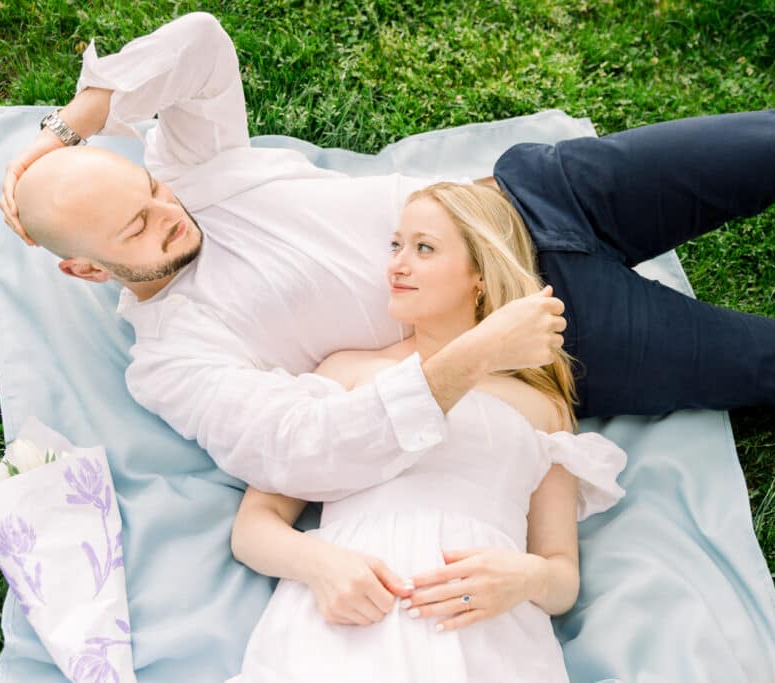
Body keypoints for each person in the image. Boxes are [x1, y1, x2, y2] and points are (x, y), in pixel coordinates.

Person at [3, 12, 775, 507]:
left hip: (531, 193)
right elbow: (294, 447)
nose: (166, 216)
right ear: (86, 271)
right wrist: (476, 352)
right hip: (545, 320)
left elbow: (202, 45)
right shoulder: (174, 353)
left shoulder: (190, 171)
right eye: (134, 232)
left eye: (148, 194)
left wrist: (82, 116)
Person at [225, 182, 626, 682]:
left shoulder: (541, 404)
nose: (397, 264)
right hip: (350, 617)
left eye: (424, 248)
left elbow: (561, 572)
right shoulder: (346, 372)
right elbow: (253, 527)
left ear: (479, 275)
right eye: (395, 245)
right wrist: (320, 565)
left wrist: (527, 577)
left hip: (484, 629)